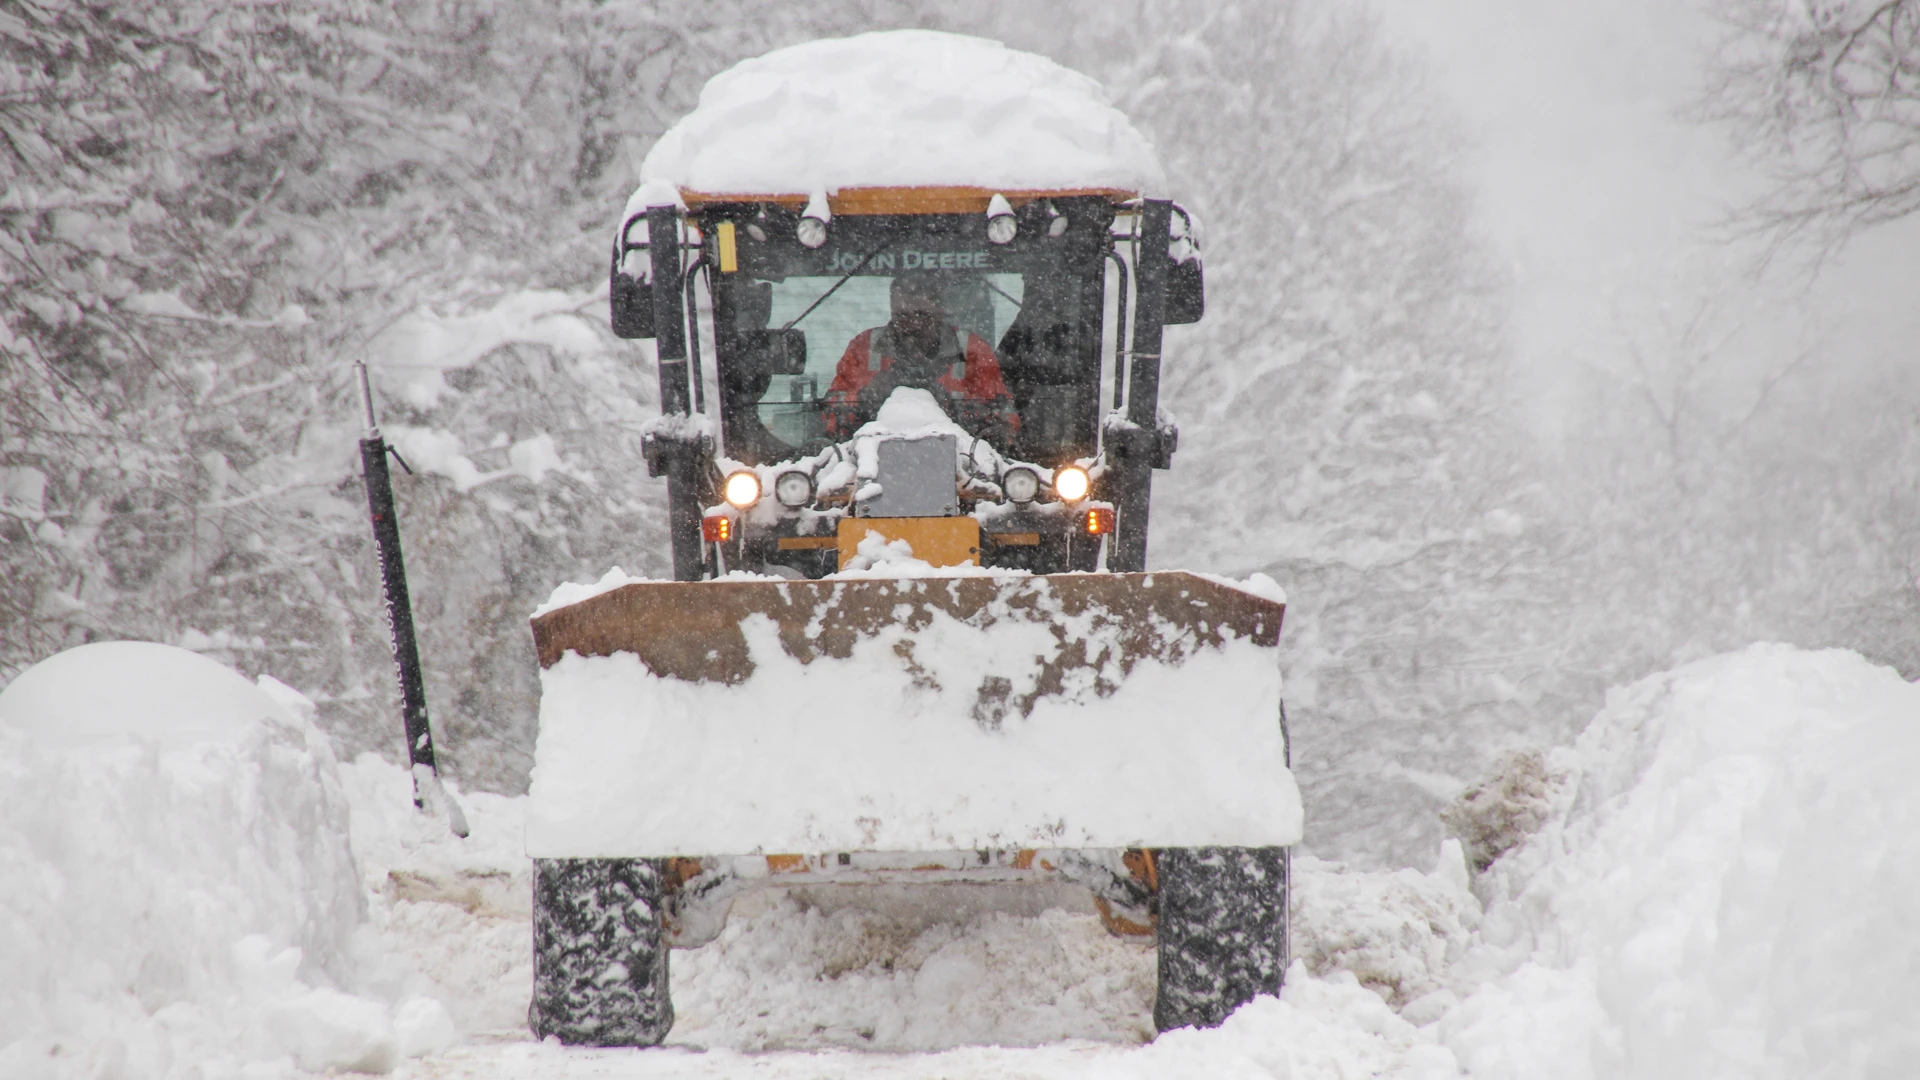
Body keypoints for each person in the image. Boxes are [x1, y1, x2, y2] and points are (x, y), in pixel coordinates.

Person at [823, 273, 1017, 442]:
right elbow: (830, 412)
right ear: (892, 311)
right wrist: (867, 395)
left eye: (922, 315)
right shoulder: (863, 348)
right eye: (903, 315)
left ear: (939, 311)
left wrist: (951, 405)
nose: (913, 324)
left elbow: (1003, 417)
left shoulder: (972, 350)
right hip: (869, 460)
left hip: (960, 462)